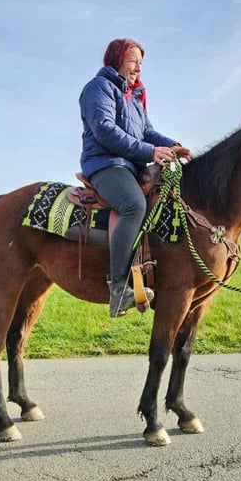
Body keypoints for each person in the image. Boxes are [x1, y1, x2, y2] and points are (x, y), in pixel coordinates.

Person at [79, 38, 191, 317]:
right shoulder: (99, 88)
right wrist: (151, 152)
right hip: (105, 163)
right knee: (134, 205)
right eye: (133, 61)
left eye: (141, 63)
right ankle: (118, 290)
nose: (138, 68)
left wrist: (173, 145)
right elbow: (105, 130)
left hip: (130, 166)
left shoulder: (135, 98)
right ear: (116, 60)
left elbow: (147, 133)